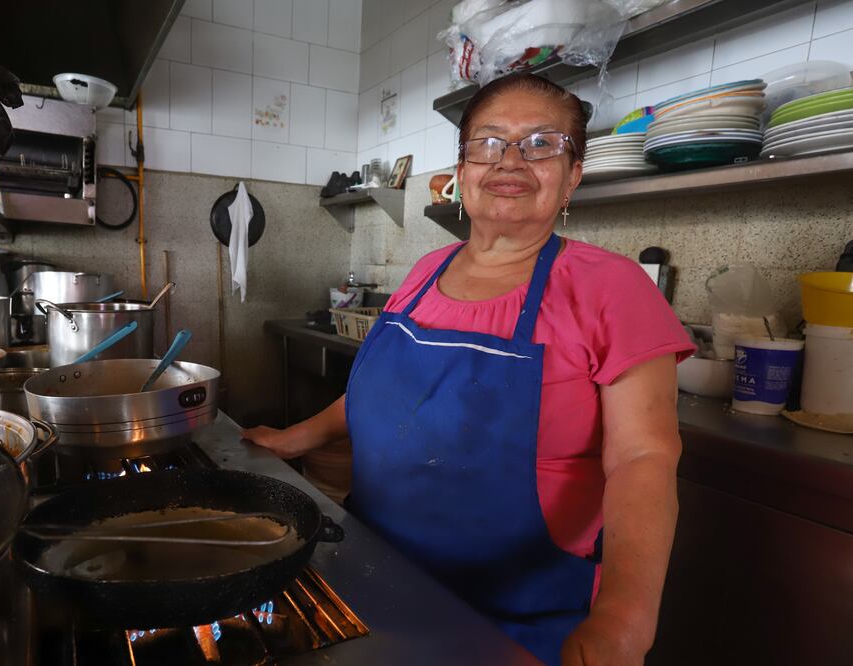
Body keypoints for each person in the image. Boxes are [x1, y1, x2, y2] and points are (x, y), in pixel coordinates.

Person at [243, 73, 695, 666]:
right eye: (488, 142)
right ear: (462, 168)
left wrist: (624, 619)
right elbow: (380, 399)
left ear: (574, 175)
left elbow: (645, 458)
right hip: (372, 578)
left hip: (513, 618)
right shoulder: (426, 271)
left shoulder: (613, 288)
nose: (511, 160)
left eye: (542, 143)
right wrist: (290, 440)